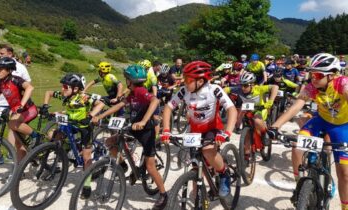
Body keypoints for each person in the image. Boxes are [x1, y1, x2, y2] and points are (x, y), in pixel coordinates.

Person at [268, 53, 348, 210]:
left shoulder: (342, 84)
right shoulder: (312, 87)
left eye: (318, 74)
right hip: (321, 121)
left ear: (332, 75)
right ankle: (299, 186)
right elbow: (296, 106)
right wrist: (275, 127)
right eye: (311, 74)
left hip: (342, 126)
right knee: (297, 146)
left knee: (344, 173)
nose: (313, 78)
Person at [92, 64, 168, 209]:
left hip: (146, 131)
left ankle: (164, 194)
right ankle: (124, 165)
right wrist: (100, 115)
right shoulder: (132, 93)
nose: (125, 80)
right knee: (111, 141)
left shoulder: (140, 91)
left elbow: (155, 101)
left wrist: (144, 121)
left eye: (126, 78)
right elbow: (120, 105)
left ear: (130, 80)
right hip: (133, 127)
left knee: (151, 167)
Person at [161, 61, 238, 197]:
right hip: (195, 131)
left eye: (188, 79)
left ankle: (224, 173)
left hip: (212, 128)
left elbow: (231, 109)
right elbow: (168, 108)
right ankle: (200, 198)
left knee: (208, 151)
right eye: (184, 79)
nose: (184, 82)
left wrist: (227, 133)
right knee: (196, 167)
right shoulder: (184, 91)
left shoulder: (214, 89)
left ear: (200, 81)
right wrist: (166, 130)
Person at [41, 73, 104, 198]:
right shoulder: (65, 95)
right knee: (51, 136)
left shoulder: (83, 97)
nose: (62, 89)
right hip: (70, 123)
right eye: (62, 86)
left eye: (65, 86)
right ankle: (60, 157)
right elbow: (48, 92)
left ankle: (87, 185)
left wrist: (90, 116)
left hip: (84, 126)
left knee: (86, 157)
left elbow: (101, 103)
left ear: (75, 89)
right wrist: (45, 106)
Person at [0, 57, 39, 162]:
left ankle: (36, 136)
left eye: (1, 69)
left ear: (9, 70)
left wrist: (21, 105)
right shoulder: (1, 84)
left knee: (12, 124)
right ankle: (20, 169)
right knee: (19, 143)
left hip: (28, 110)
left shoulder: (16, 79)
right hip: (18, 112)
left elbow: (30, 88)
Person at [224, 72, 278, 146]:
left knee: (257, 120)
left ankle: (266, 135)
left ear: (252, 84)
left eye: (245, 86)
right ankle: (246, 154)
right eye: (241, 85)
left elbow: (275, 87)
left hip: (260, 109)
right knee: (241, 121)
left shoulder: (259, 88)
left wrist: (271, 101)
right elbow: (225, 90)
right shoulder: (239, 89)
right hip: (247, 109)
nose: (243, 88)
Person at [0, 44, 31, 134]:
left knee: (14, 130)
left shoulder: (20, 70)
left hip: (18, 106)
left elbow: (29, 86)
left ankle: (35, 138)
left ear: (10, 54)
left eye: (2, 53)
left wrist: (21, 104)